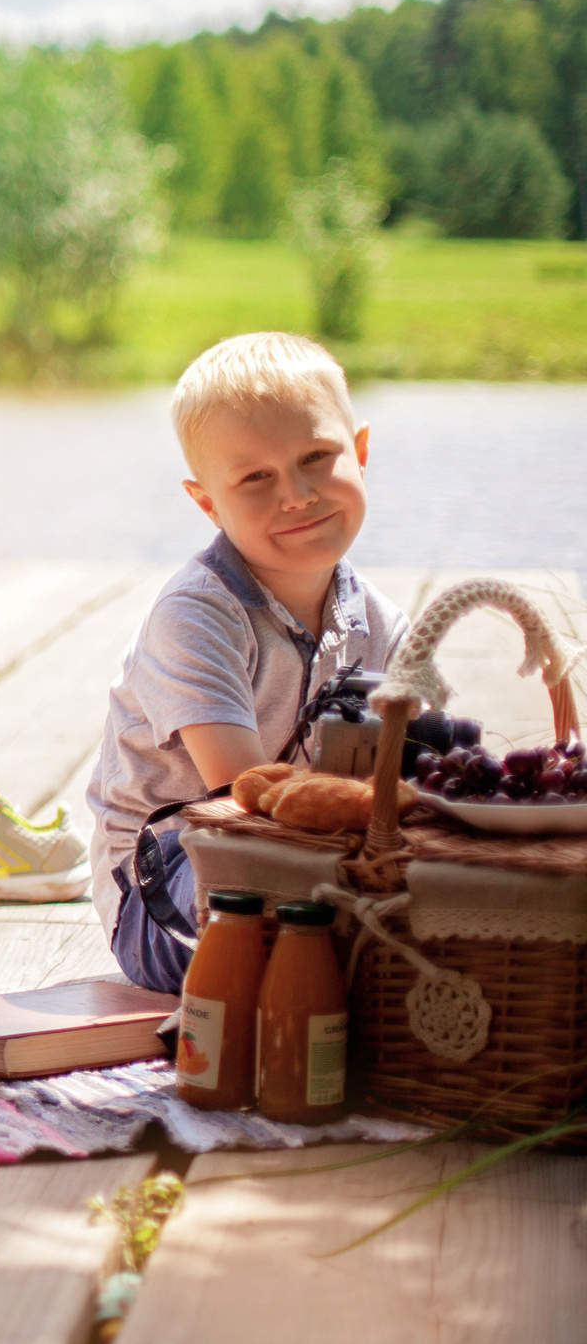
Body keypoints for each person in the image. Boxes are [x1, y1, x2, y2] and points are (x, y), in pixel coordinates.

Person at [91, 331, 401, 993]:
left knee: (465, 890)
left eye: (316, 457)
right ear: (208, 502)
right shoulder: (197, 614)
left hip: (318, 859)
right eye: (256, 477)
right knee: (271, 898)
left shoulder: (381, 623)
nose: (297, 493)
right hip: (172, 884)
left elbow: (413, 777)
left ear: (360, 452)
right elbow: (245, 795)